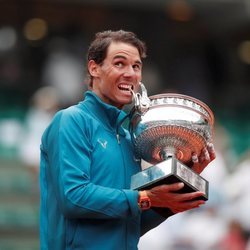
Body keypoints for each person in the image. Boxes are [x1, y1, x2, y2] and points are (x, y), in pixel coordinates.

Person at [40, 30, 216, 250]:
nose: (130, 73)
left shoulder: (128, 138)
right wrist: (145, 198)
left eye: (136, 66)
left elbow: (129, 224)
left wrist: (171, 200)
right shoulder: (71, 120)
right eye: (119, 63)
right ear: (94, 68)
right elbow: (73, 197)